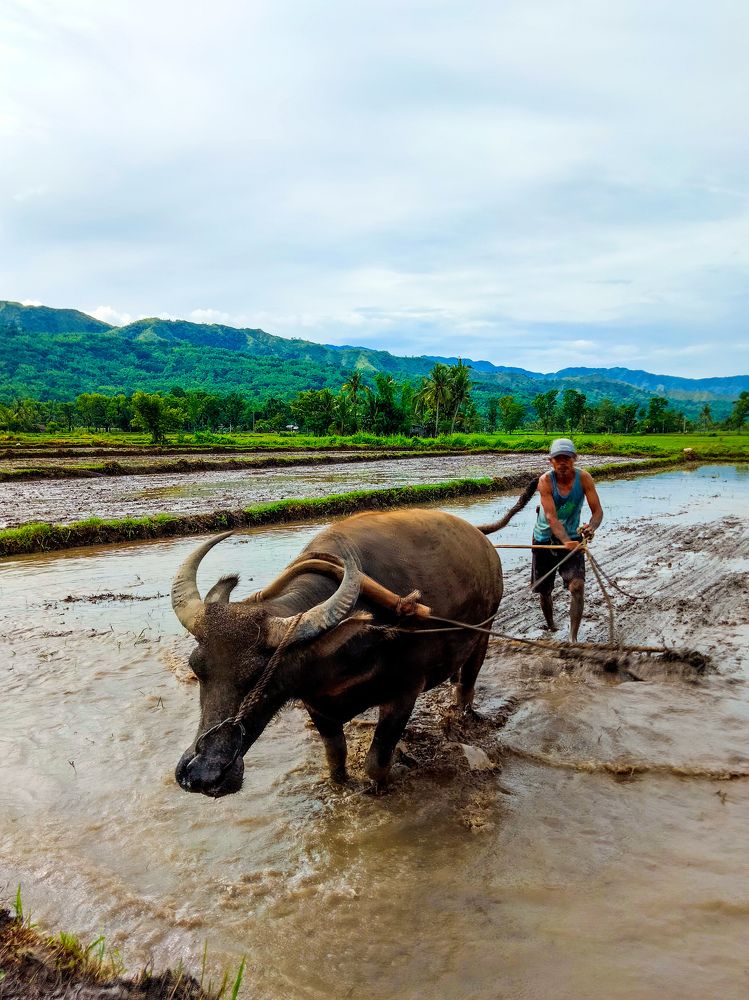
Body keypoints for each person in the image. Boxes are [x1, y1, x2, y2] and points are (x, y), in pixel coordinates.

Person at [531, 438, 603, 642]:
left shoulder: (584, 479)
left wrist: (591, 527)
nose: (563, 462)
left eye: (567, 458)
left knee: (577, 586)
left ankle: (572, 637)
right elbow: (552, 517)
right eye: (558, 459)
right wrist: (564, 540)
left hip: (572, 538)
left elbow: (597, 512)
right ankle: (551, 624)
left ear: (574, 459)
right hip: (544, 539)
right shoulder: (545, 481)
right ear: (551, 461)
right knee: (544, 590)